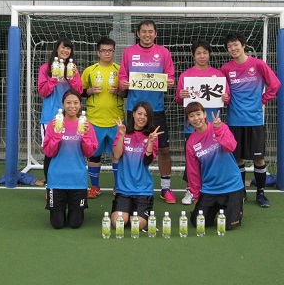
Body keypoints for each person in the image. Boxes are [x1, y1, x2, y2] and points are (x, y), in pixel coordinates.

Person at [118, 19, 176, 203]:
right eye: (143, 31)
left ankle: (165, 188)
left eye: (150, 31)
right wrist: (123, 83)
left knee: (163, 149)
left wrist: (170, 81)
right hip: (134, 110)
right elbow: (122, 76)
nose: (147, 34)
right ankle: (125, 184)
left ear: (155, 34)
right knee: (129, 148)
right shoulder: (129, 52)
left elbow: (171, 76)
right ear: (138, 33)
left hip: (156, 110)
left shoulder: (164, 52)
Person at [221, 31, 281, 208]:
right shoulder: (226, 69)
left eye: (235, 44)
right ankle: (241, 191)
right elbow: (225, 93)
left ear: (243, 45)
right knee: (238, 159)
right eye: (229, 46)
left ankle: (261, 193)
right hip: (234, 120)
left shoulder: (258, 64)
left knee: (259, 159)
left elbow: (275, 84)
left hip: (254, 120)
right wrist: (225, 99)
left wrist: (262, 100)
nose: (233, 48)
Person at [175, 39, 229, 205]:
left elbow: (227, 100)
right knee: (193, 160)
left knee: (214, 158)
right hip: (192, 127)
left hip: (213, 126)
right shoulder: (186, 75)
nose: (202, 56)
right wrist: (181, 95)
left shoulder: (219, 75)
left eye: (205, 52)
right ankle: (190, 190)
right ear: (193, 56)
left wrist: (225, 97)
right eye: (198, 53)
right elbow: (178, 99)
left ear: (209, 54)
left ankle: (214, 188)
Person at [42, 90, 98, 229]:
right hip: (57, 180)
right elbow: (48, 152)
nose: (72, 106)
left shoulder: (86, 125)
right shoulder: (53, 124)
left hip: (77, 180)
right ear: (62, 104)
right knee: (57, 224)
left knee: (75, 223)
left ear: (80, 105)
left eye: (75, 103)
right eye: (68, 103)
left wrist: (85, 136)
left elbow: (89, 153)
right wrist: (57, 135)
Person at [185, 102, 244, 231]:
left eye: (198, 114)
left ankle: (235, 209)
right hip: (210, 188)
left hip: (232, 186)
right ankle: (214, 208)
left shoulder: (220, 127)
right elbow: (193, 172)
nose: (196, 118)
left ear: (204, 114)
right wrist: (196, 196)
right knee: (198, 223)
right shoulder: (191, 143)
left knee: (228, 226)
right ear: (188, 119)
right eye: (191, 116)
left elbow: (231, 147)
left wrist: (219, 130)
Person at [81, 37, 126, 198]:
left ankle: (118, 187)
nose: (107, 53)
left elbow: (127, 93)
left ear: (114, 52)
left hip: (116, 120)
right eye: (104, 51)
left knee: (118, 155)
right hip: (94, 120)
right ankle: (95, 187)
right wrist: (90, 91)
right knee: (94, 155)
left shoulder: (120, 70)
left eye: (110, 51)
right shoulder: (89, 71)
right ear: (98, 52)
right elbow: (80, 92)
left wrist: (119, 92)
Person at [110, 101, 162, 231]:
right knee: (118, 223)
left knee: (136, 225)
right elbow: (117, 155)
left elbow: (147, 161)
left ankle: (138, 213)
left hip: (143, 190)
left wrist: (150, 142)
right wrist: (121, 136)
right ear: (133, 114)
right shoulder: (123, 131)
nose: (142, 117)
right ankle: (126, 211)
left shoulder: (152, 136)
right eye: (139, 113)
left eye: (146, 115)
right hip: (123, 189)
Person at [37, 37, 83, 181]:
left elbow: (79, 92)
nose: (65, 50)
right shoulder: (45, 68)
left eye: (68, 48)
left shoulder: (73, 68)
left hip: (70, 117)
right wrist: (54, 77)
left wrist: (73, 77)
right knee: (50, 150)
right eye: (63, 47)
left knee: (69, 149)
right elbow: (42, 92)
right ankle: (49, 184)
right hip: (50, 116)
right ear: (57, 49)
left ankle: (66, 182)